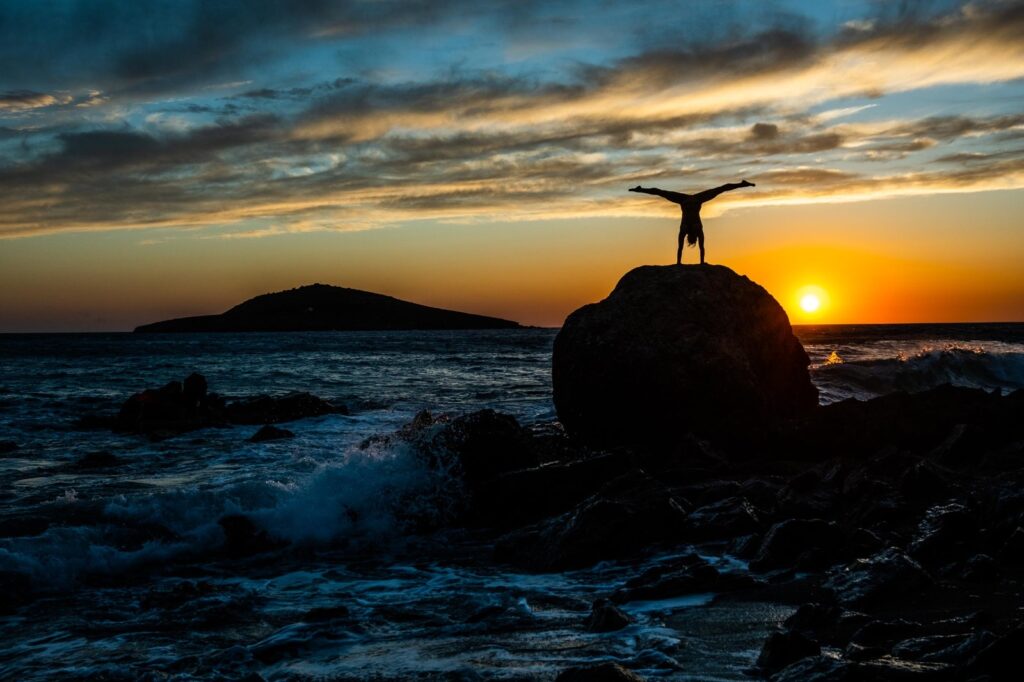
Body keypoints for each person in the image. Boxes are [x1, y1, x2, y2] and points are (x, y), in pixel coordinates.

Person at [629, 180, 755, 265]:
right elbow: (697, 247)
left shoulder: (688, 228)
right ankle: (742, 184)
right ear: (691, 238)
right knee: (720, 189)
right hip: (693, 199)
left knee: (660, 192)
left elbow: (686, 248)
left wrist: (681, 263)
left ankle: (641, 189)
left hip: (686, 200)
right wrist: (699, 263)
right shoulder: (695, 228)